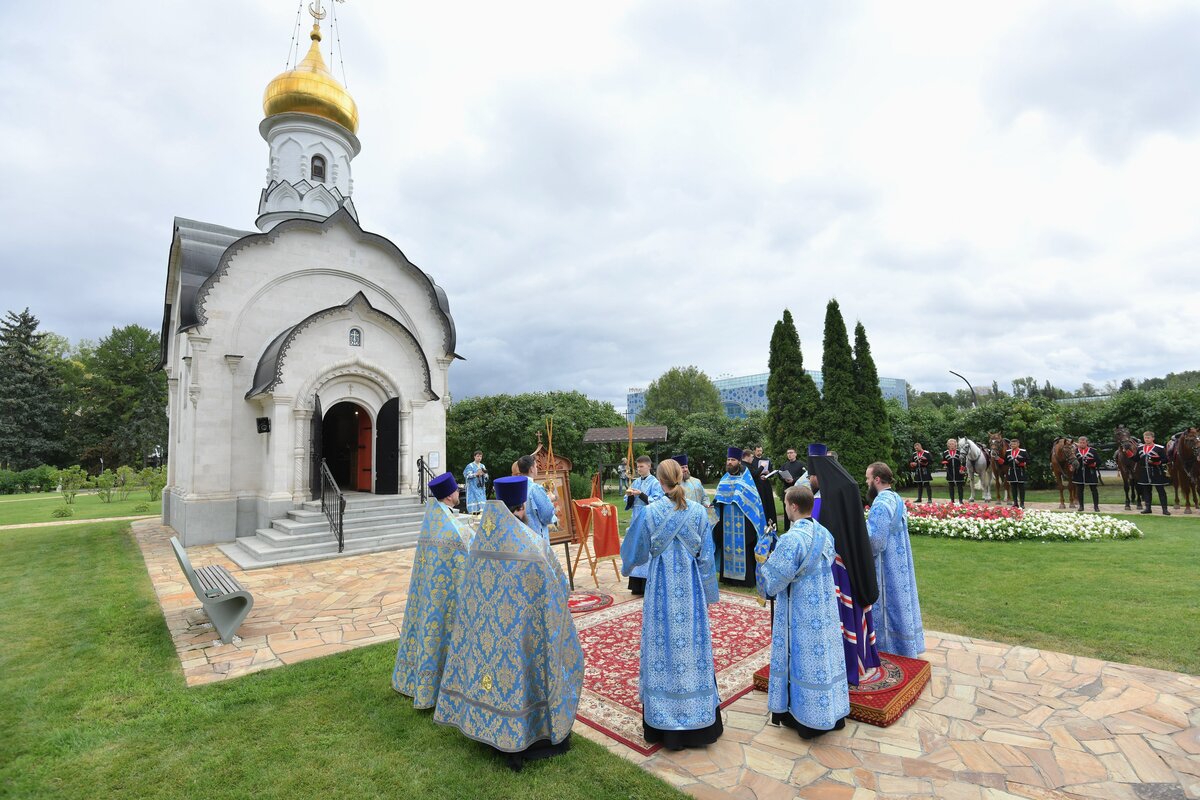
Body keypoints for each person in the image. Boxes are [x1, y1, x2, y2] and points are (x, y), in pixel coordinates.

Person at [433, 476, 584, 770]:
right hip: (523, 634)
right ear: (522, 505)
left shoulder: (478, 542)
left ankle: (488, 726)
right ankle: (532, 735)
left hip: (491, 637)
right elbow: (559, 588)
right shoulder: (533, 545)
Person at [620, 459, 722, 749]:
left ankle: (664, 724)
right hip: (691, 592)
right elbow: (706, 558)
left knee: (661, 647)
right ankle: (698, 719)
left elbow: (635, 552)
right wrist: (710, 595)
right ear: (679, 478)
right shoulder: (700, 513)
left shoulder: (650, 513)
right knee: (693, 647)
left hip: (661, 591)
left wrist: (627, 565)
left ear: (660, 481)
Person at [757, 484, 849, 739]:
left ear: (793, 506)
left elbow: (773, 580)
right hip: (824, 606)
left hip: (800, 610)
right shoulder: (825, 533)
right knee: (824, 657)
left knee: (802, 657)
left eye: (786, 503)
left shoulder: (791, 539)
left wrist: (764, 558)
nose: (785, 508)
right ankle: (832, 711)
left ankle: (806, 718)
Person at [392, 472, 473, 707]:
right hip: (447, 597)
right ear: (449, 495)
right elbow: (466, 550)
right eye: (457, 490)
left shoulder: (433, 519)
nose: (459, 493)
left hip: (429, 593)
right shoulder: (450, 528)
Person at [807, 443, 880, 686]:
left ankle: (847, 666)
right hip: (851, 561)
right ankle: (858, 660)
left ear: (819, 475)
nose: (809, 480)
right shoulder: (843, 486)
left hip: (839, 567)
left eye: (811, 476)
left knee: (843, 616)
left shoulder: (831, 494)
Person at [864, 463, 925, 658]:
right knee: (900, 602)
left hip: (886, 564)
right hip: (899, 560)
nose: (866, 483)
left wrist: (859, 531)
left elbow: (876, 541)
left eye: (867, 479)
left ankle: (887, 649)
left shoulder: (881, 504)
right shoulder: (895, 498)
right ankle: (905, 647)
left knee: (887, 606)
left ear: (877, 480)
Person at [712, 447, 767, 587]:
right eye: (728, 459)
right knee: (727, 545)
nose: (730, 462)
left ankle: (746, 580)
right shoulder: (725, 479)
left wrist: (737, 498)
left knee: (745, 545)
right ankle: (728, 578)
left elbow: (753, 501)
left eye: (733, 460)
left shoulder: (746, 478)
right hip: (727, 521)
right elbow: (718, 498)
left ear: (739, 462)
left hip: (744, 520)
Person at [625, 455, 664, 594]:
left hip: (648, 519)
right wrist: (630, 495)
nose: (639, 469)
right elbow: (628, 502)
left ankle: (646, 584)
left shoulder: (655, 483)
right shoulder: (635, 482)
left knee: (646, 551)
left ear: (649, 466)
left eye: (641, 466)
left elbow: (657, 501)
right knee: (635, 549)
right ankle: (636, 586)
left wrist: (641, 494)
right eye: (638, 466)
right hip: (636, 518)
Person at [516, 455, 557, 541]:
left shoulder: (515, 486)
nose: (536, 469)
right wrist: (549, 500)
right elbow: (546, 515)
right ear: (531, 469)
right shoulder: (535, 488)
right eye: (536, 466)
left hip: (520, 536)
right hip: (536, 536)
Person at [1129, 431, 1171, 515]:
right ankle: (1148, 508)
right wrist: (1127, 452)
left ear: (1153, 438)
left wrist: (1158, 462)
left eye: (1148, 438)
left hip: (1156, 471)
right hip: (1144, 472)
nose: (1146, 439)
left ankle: (1165, 509)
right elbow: (1136, 459)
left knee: (1161, 490)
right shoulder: (1140, 448)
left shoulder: (1159, 448)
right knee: (1146, 491)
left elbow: (1166, 459)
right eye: (1145, 438)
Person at [743, 446, 779, 529]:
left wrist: (767, 473)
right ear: (754, 452)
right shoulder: (749, 463)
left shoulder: (766, 460)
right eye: (758, 450)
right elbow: (754, 474)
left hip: (766, 484)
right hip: (757, 486)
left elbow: (771, 472)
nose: (760, 452)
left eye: (761, 451)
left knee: (769, 503)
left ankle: (771, 524)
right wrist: (761, 468)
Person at [775, 447, 808, 531]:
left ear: (795, 454)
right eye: (788, 453)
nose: (789, 454)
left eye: (791, 452)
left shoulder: (801, 464)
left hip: (797, 490)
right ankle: (787, 528)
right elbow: (780, 474)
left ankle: (798, 527)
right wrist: (784, 479)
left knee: (797, 509)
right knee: (787, 509)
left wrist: (794, 480)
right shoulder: (785, 465)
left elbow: (805, 476)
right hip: (787, 490)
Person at [1072, 436, 1101, 513]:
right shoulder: (1075, 451)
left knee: (1094, 490)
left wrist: (1092, 464)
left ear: (1087, 443)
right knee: (1079, 490)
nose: (1082, 444)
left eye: (1083, 442)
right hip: (1079, 473)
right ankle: (1081, 506)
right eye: (1080, 443)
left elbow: (1099, 462)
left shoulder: (1093, 451)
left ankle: (1096, 506)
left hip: (1090, 473)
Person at [1003, 437, 1029, 509]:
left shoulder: (1023, 451)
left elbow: (1028, 461)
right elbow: (1005, 462)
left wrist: (1021, 463)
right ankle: (1015, 503)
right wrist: (998, 459)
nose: (1012, 445)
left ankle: (1022, 503)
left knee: (1021, 488)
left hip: (1020, 471)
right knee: (1013, 488)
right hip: (1011, 472)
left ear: (1018, 444)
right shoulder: (1008, 452)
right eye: (1011, 444)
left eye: (1014, 444)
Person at [942, 439, 965, 505]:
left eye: (953, 444)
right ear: (948, 445)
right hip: (950, 471)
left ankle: (961, 500)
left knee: (960, 486)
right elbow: (943, 460)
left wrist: (962, 469)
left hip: (959, 471)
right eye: (950, 444)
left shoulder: (960, 452)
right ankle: (952, 500)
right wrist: (944, 464)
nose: (952, 445)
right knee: (951, 486)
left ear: (956, 445)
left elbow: (964, 462)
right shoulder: (945, 452)